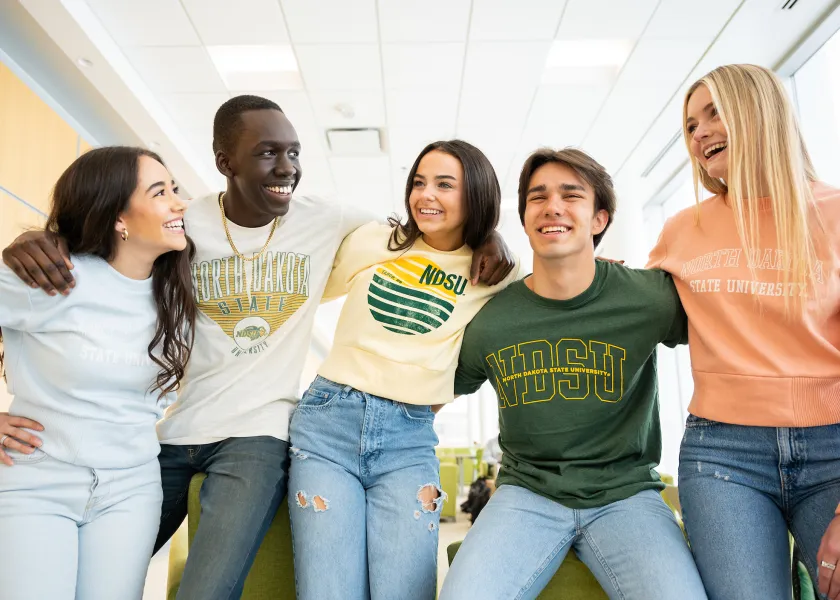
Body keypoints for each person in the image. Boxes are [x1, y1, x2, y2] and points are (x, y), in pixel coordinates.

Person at [1, 96, 514, 599]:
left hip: (258, 433)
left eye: (293, 152)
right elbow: (110, 248)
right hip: (165, 434)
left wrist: (489, 235)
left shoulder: (331, 219)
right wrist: (46, 241)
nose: (286, 167)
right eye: (268, 152)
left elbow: (429, 240)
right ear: (225, 162)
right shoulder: (184, 226)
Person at [439, 148, 707, 600]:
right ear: (524, 219)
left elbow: (731, 332)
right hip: (526, 494)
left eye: (571, 194)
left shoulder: (650, 299)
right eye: (537, 197)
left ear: (600, 219)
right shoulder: (492, 320)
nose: (553, 207)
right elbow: (429, 392)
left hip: (627, 496)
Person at [288, 140, 522, 600]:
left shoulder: (495, 272)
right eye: (418, 183)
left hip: (408, 438)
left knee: (406, 592)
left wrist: (496, 238)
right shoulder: (376, 239)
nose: (425, 195)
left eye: (444, 185)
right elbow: (306, 289)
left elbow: (534, 314)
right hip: (327, 423)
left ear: (475, 194)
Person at [647, 63, 840, 600]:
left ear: (761, 113)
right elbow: (630, 305)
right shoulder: (681, 229)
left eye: (714, 113)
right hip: (722, 454)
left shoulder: (835, 213)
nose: (699, 132)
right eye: (690, 125)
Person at [0, 146, 194, 599]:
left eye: (175, 189)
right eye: (160, 192)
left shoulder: (177, 291)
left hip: (132, 489)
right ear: (118, 218)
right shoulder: (52, 277)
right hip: (38, 480)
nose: (179, 203)